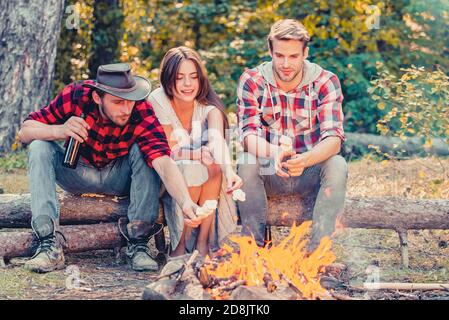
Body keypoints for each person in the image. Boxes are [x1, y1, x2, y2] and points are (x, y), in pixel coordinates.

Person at [18, 63, 204, 273]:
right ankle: (48, 244)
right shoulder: (76, 96)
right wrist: (59, 130)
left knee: (147, 152)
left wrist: (186, 202)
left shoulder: (140, 109)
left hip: (119, 177)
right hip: (77, 173)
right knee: (39, 146)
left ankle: (138, 244)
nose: (126, 109)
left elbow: (162, 159)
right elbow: (25, 131)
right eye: (118, 102)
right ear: (98, 98)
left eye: (130, 101)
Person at [236, 19, 348, 250]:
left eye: (294, 56)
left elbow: (334, 138)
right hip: (270, 169)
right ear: (270, 51)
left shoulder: (326, 81)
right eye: (280, 56)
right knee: (246, 161)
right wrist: (274, 152)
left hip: (310, 170)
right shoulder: (252, 81)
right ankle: (253, 252)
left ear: (305, 53)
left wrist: (305, 159)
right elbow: (248, 134)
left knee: (337, 164)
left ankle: (318, 254)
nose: (286, 64)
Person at [148, 47, 243, 257]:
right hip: (165, 176)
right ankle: (179, 246)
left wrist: (230, 172)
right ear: (168, 79)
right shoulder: (158, 100)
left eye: (193, 77)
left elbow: (217, 141)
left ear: (201, 79)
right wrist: (196, 154)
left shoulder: (209, 107)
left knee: (213, 165)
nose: (187, 84)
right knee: (193, 167)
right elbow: (168, 151)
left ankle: (203, 243)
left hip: (201, 175)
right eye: (179, 77)